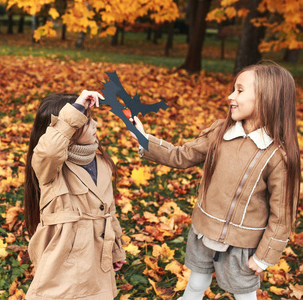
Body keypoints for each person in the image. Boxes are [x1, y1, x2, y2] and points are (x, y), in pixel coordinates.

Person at [129, 62, 300, 300]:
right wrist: (144, 138)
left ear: (266, 98)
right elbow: (182, 155)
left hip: (242, 245)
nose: (231, 96)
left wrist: (264, 256)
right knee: (196, 282)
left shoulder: (277, 156)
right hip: (204, 231)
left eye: (240, 91)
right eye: (233, 89)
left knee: (245, 294)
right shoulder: (220, 133)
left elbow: (281, 214)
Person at [24, 90, 126, 300]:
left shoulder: (101, 163)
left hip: (97, 258)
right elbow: (50, 150)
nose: (95, 125)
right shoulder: (51, 168)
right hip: (64, 260)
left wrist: (116, 249)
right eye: (86, 122)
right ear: (68, 129)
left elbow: (109, 211)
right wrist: (76, 109)